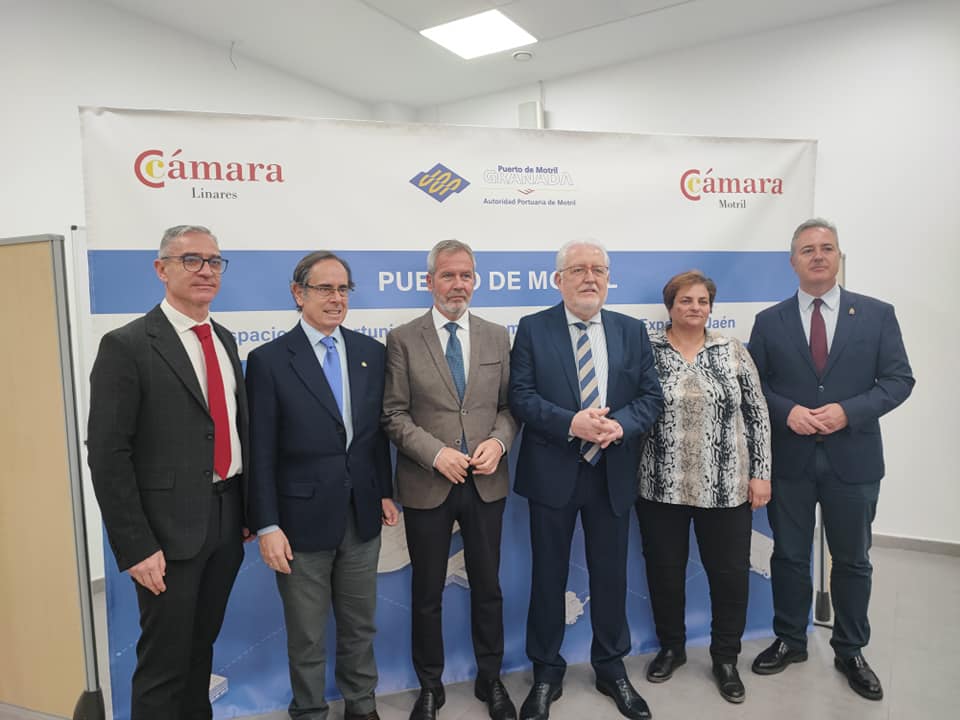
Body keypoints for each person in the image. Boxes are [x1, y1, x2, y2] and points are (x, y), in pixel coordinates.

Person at [87, 225, 250, 720]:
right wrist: (135, 545)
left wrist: (246, 512)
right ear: (161, 270)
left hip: (225, 522)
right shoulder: (128, 345)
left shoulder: (222, 338)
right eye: (191, 260)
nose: (206, 270)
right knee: (163, 663)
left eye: (215, 261)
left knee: (201, 651)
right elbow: (108, 454)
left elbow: (233, 430)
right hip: (165, 536)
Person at [748, 218, 914, 701]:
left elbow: (899, 380)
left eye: (826, 248)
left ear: (839, 256)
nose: (817, 256)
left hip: (854, 461)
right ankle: (790, 639)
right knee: (790, 556)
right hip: (791, 461)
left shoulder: (878, 315)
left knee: (853, 560)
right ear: (793, 261)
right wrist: (789, 411)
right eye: (807, 250)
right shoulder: (770, 321)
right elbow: (755, 386)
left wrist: (848, 411)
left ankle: (850, 649)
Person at [509, 240, 663, 720]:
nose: (590, 277)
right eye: (578, 269)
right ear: (559, 279)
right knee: (548, 577)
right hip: (553, 471)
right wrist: (570, 422)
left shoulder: (630, 330)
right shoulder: (534, 329)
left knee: (611, 575)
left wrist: (621, 425)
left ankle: (611, 666)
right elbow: (520, 396)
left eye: (598, 269)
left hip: (611, 473)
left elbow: (651, 398)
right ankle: (546, 673)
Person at [245, 251, 399, 720]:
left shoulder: (371, 353)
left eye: (343, 289)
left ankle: (362, 706)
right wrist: (266, 523)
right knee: (307, 633)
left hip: (361, 515)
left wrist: (385, 490)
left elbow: (373, 437)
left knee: (360, 626)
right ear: (298, 294)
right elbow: (260, 452)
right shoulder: (269, 361)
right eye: (324, 288)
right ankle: (309, 710)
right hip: (299, 521)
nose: (336, 298)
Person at [382, 239, 519, 720]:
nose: (458, 284)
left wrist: (499, 443)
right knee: (427, 593)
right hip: (428, 483)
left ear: (474, 280)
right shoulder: (402, 337)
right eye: (448, 275)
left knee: (488, 587)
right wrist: (435, 453)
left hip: (486, 482)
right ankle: (430, 686)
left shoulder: (497, 335)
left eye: (466, 276)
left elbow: (508, 408)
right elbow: (394, 414)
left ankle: (491, 679)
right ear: (430, 282)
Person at [636, 270, 771, 704]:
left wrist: (761, 473)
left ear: (711, 308)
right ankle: (672, 648)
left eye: (702, 301)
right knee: (665, 573)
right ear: (670, 307)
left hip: (726, 486)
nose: (695, 308)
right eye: (685, 301)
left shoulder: (731, 350)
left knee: (729, 576)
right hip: (661, 486)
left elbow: (757, 415)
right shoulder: (648, 351)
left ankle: (725, 657)